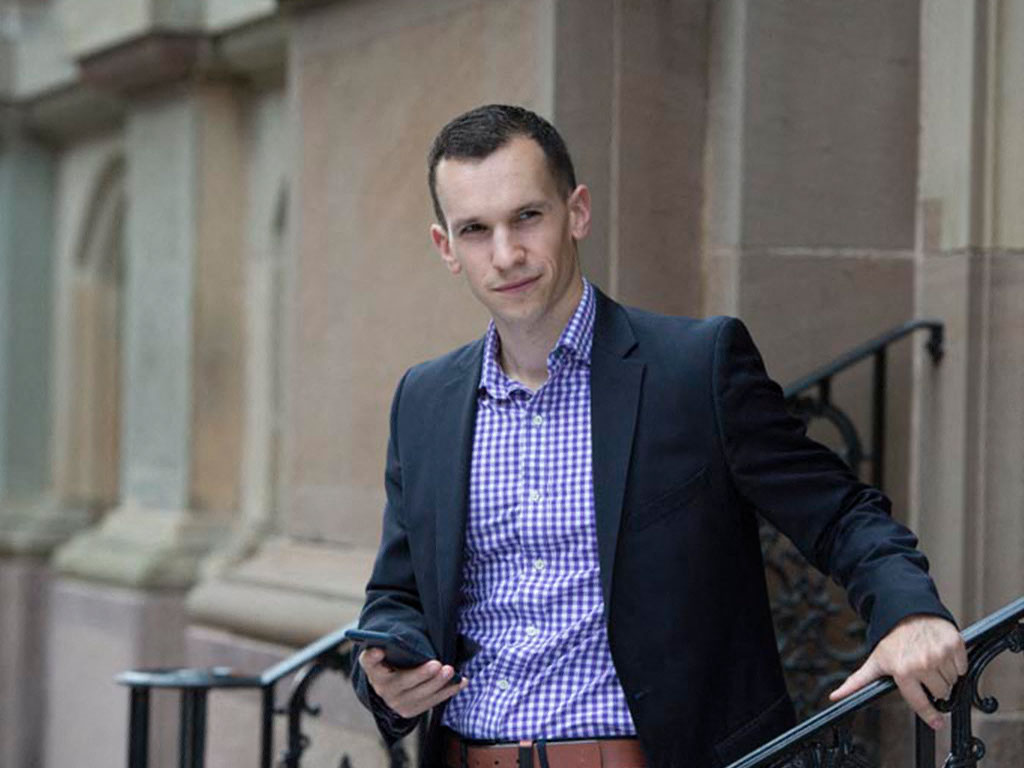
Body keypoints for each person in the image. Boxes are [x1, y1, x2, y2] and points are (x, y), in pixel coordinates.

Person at [350, 104, 967, 768]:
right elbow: (397, 595)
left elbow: (842, 514)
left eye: (528, 216)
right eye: (475, 230)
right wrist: (383, 674)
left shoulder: (694, 368)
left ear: (577, 212)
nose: (506, 254)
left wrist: (908, 614)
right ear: (446, 247)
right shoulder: (425, 400)